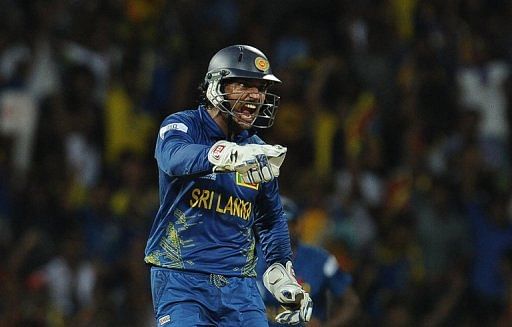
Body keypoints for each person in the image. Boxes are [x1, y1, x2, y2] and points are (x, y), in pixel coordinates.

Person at [144, 45, 313, 327]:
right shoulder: (182, 125)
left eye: (260, 88)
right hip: (182, 277)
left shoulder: (257, 149)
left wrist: (282, 273)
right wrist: (226, 155)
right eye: (244, 84)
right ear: (216, 87)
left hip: (241, 287)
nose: (256, 96)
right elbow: (174, 159)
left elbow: (270, 218)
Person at [256, 196, 360, 326]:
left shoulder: (321, 260)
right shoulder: (249, 259)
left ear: (297, 226)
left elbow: (351, 302)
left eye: (286, 224)